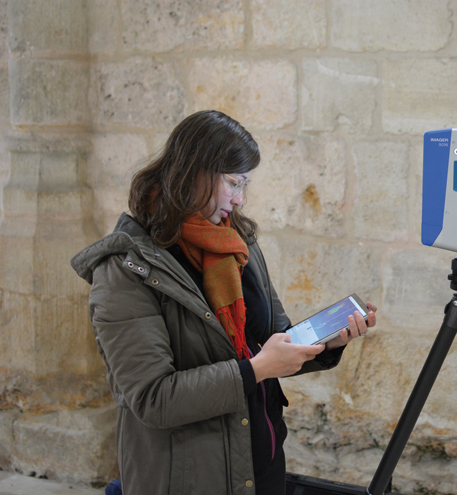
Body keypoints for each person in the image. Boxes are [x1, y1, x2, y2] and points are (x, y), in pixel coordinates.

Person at [71, 110, 377, 495]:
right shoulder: (126, 269)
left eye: (246, 184)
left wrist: (328, 342)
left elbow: (269, 338)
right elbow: (153, 398)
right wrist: (255, 370)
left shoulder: (237, 243)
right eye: (233, 182)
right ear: (193, 174)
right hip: (187, 478)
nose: (240, 198)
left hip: (258, 466)